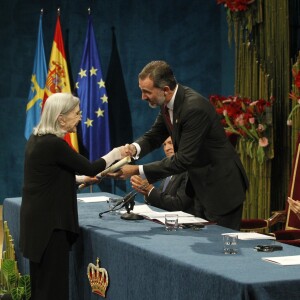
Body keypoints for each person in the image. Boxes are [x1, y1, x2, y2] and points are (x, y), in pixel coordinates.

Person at [113, 60, 249, 230]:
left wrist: (136, 170)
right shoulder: (168, 104)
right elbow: (155, 135)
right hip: (199, 188)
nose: (143, 97)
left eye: (146, 92)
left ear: (165, 90)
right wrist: (134, 148)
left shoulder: (194, 108)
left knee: (221, 248)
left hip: (221, 190)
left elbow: (183, 160)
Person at [19, 93, 126, 300]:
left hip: (37, 226)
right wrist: (117, 153)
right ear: (61, 118)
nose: (80, 118)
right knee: (54, 289)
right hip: (51, 227)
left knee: (42, 287)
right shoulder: (54, 144)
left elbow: (45, 178)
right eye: (77, 114)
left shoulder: (36, 140)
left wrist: (77, 180)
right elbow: (91, 167)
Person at [131, 136, 194, 214]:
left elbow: (179, 205)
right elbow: (163, 199)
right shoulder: (169, 170)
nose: (167, 148)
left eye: (170, 143)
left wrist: (150, 190)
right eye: (164, 145)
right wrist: (147, 193)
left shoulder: (190, 170)